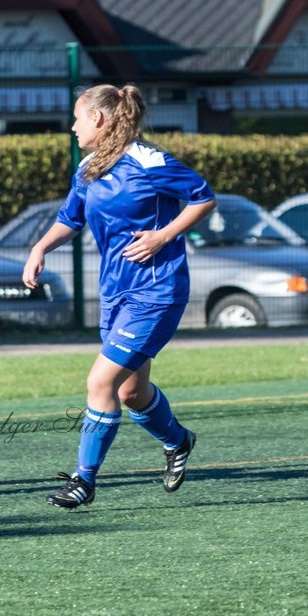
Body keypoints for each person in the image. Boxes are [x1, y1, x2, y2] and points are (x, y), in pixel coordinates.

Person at [23, 84, 215, 509]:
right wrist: (39, 248)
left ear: (99, 118)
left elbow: (203, 196)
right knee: (129, 393)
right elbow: (69, 218)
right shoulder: (89, 166)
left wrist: (163, 236)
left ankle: (83, 480)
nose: (72, 127)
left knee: (100, 381)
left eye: (77, 118)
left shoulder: (149, 160)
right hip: (115, 293)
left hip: (156, 291)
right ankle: (179, 441)